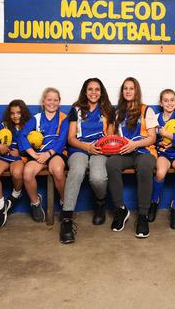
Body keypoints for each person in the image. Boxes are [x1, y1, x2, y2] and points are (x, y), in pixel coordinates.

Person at [61, 78, 115, 243]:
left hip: (100, 150)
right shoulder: (75, 109)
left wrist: (100, 147)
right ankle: (67, 220)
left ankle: (100, 203)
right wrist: (87, 147)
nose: (93, 92)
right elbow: (70, 138)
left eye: (97, 89)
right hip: (79, 148)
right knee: (76, 172)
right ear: (85, 91)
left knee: (98, 178)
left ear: (101, 91)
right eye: (90, 89)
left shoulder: (108, 110)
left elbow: (111, 137)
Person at [106, 77, 158, 238]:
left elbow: (152, 138)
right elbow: (112, 136)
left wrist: (135, 144)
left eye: (131, 88)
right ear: (122, 92)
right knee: (111, 163)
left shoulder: (146, 110)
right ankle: (121, 209)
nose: (128, 91)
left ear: (137, 91)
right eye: (125, 88)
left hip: (144, 152)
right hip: (124, 153)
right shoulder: (117, 112)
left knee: (144, 167)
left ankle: (142, 215)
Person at [20, 87, 69, 223]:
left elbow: (62, 140)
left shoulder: (64, 118)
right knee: (27, 173)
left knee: (58, 170)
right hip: (39, 154)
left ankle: (65, 203)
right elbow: (23, 135)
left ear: (59, 102)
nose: (52, 102)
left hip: (56, 153)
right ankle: (35, 203)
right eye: (49, 99)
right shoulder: (36, 118)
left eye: (55, 100)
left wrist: (48, 154)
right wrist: (32, 153)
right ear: (43, 101)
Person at [0, 99, 31, 227]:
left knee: (17, 174)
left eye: (18, 113)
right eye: (12, 113)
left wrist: (21, 152)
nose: (15, 116)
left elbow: (36, 143)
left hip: (19, 158)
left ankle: (16, 194)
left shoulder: (29, 125)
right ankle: (1, 208)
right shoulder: (5, 125)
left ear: (24, 113)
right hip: (4, 156)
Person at [148, 89, 175, 229]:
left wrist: (168, 135)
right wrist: (159, 142)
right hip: (163, 154)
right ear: (161, 103)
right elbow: (151, 138)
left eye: (172, 100)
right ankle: (154, 201)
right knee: (160, 172)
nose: (169, 103)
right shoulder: (156, 117)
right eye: (166, 100)